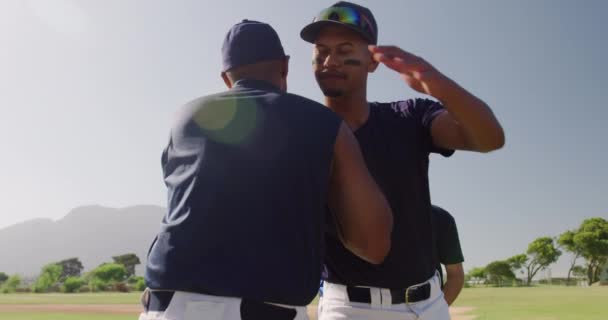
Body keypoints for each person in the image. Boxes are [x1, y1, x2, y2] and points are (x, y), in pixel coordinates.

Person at [139, 20, 393, 320]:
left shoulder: (184, 117)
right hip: (267, 310)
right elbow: (373, 246)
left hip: (166, 308)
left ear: (226, 78)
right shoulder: (325, 123)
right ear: (285, 67)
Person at [300, 2, 505, 319]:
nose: (330, 60)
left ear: (372, 61)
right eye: (322, 51)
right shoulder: (302, 135)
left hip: (428, 305)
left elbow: (490, 139)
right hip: (349, 308)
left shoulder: (410, 116)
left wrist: (432, 80)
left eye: (344, 49)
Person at [432, 205, 465, 306]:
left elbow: (456, 275)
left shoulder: (440, 216)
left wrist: (438, 310)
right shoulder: (382, 213)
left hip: (429, 308)